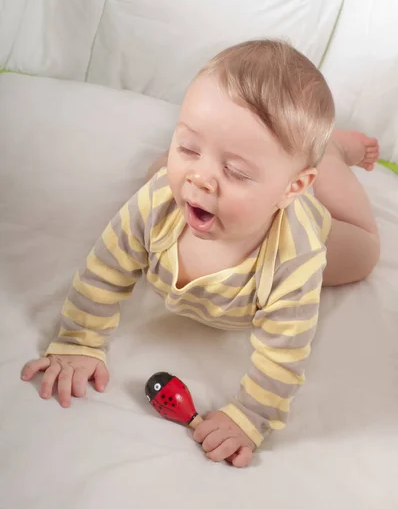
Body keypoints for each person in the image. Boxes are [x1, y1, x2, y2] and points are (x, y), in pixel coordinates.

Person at [21, 40, 380, 468]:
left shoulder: (296, 259)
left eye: (236, 171)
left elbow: (284, 354)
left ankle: (332, 153)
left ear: (293, 187)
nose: (202, 178)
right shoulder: (156, 205)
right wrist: (80, 340)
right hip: (199, 190)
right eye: (188, 147)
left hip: (310, 224)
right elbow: (106, 269)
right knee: (159, 175)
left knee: (365, 252)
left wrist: (251, 415)